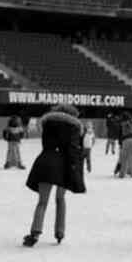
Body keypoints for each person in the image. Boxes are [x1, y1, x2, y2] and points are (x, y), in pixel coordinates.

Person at [23, 103, 85, 246]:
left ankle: (34, 233)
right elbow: (72, 149)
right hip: (63, 165)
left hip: (45, 160)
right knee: (60, 198)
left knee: (42, 201)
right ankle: (59, 232)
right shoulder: (74, 127)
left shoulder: (47, 123)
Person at [117, 112, 132, 178]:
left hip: (126, 139)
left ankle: (122, 174)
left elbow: (120, 133)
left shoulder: (123, 123)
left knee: (124, 157)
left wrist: (120, 143)